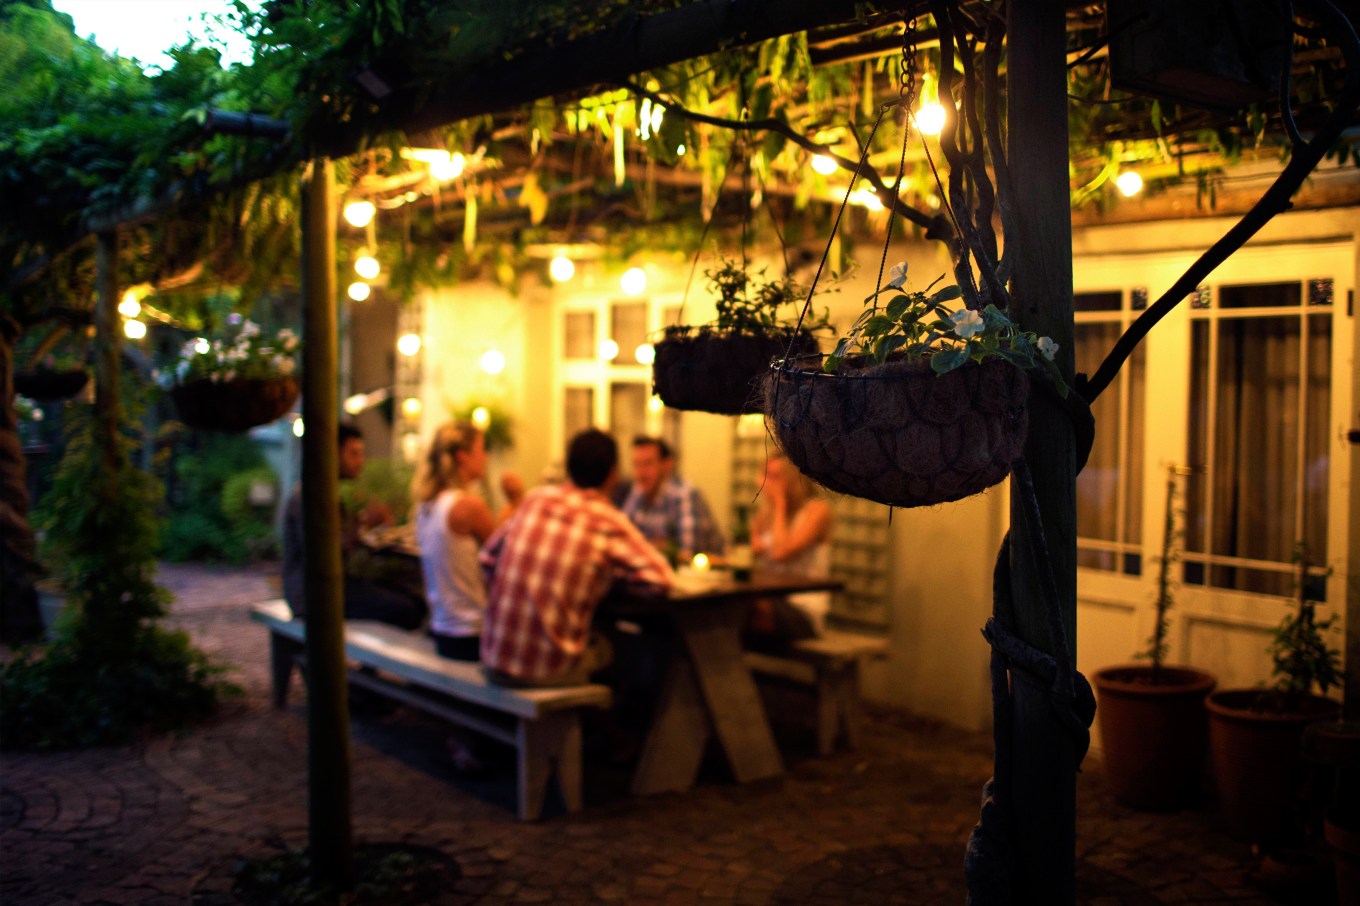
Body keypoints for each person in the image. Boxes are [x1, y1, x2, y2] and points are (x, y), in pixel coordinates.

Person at [478, 428, 674, 686]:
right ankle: (617, 726)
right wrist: (606, 575)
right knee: (642, 651)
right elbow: (662, 580)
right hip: (546, 672)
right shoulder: (606, 518)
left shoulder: (536, 498)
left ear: (569, 467)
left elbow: (487, 559)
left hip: (493, 660)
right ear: (613, 475)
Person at [282, 423, 426, 630]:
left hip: (332, 587)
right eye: (354, 454)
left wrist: (363, 524)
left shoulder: (330, 494)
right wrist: (366, 523)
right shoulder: (311, 496)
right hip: (313, 596)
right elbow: (327, 556)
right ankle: (371, 661)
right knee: (408, 608)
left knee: (412, 598)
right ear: (332, 454)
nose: (361, 461)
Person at [410, 420, 497, 661]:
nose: (486, 458)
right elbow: (506, 556)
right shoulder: (467, 506)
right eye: (481, 450)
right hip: (473, 636)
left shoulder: (426, 506)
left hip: (441, 632)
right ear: (463, 457)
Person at [748, 450, 834, 645]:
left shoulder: (816, 511)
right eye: (765, 475)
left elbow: (780, 552)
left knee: (747, 611)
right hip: (771, 600)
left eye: (775, 477)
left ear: (792, 480)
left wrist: (779, 504)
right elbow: (751, 555)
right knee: (729, 611)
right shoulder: (764, 515)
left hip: (803, 609)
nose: (767, 483)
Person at [620, 436, 725, 561]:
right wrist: (661, 545)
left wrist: (646, 546)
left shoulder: (685, 494)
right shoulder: (637, 492)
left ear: (667, 465)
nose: (641, 472)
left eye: (648, 463)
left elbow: (688, 553)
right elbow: (621, 543)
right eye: (636, 464)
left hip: (709, 576)